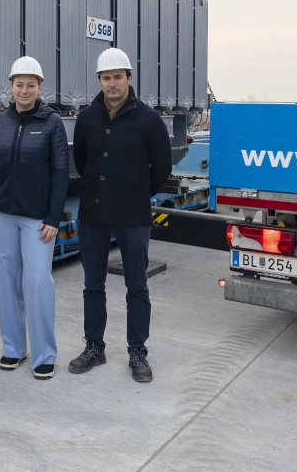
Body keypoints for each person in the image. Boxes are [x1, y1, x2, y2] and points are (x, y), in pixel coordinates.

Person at [68, 47, 171, 383]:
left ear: (129, 78)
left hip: (133, 215)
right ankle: (94, 347)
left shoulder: (149, 120)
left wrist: (138, 192)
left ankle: (137, 351)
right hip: (94, 214)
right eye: (106, 78)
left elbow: (163, 167)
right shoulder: (87, 119)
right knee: (92, 284)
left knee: (136, 285)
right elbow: (82, 161)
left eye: (117, 77)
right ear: (99, 81)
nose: (111, 83)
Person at [0, 57, 69, 380]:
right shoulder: (0, 121)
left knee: (38, 282)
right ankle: (14, 348)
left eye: (31, 85)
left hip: (37, 219)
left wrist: (54, 217)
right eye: (19, 85)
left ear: (40, 87)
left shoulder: (52, 123)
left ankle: (44, 354)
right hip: (1, 214)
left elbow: (61, 172)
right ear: (11, 87)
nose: (24, 90)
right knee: (5, 283)